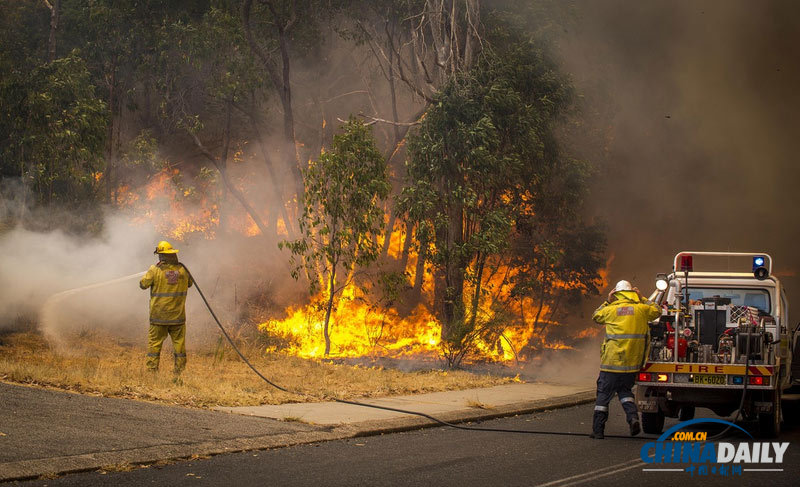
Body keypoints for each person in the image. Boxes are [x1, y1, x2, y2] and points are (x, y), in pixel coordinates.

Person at [589, 279, 661, 439]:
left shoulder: (610, 309)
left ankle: (598, 431)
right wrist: (642, 298)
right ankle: (633, 418)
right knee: (625, 392)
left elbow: (596, 316)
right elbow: (657, 311)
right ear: (631, 292)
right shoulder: (642, 309)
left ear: (617, 293)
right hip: (631, 364)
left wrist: (608, 300)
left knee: (603, 396)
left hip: (611, 363)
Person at [139, 240, 193, 375]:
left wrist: (152, 272)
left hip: (159, 317)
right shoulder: (183, 270)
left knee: (154, 344)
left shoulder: (154, 270)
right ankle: (179, 372)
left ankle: (152, 372)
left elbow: (142, 285)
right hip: (177, 317)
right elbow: (190, 284)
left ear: (161, 256)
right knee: (179, 345)